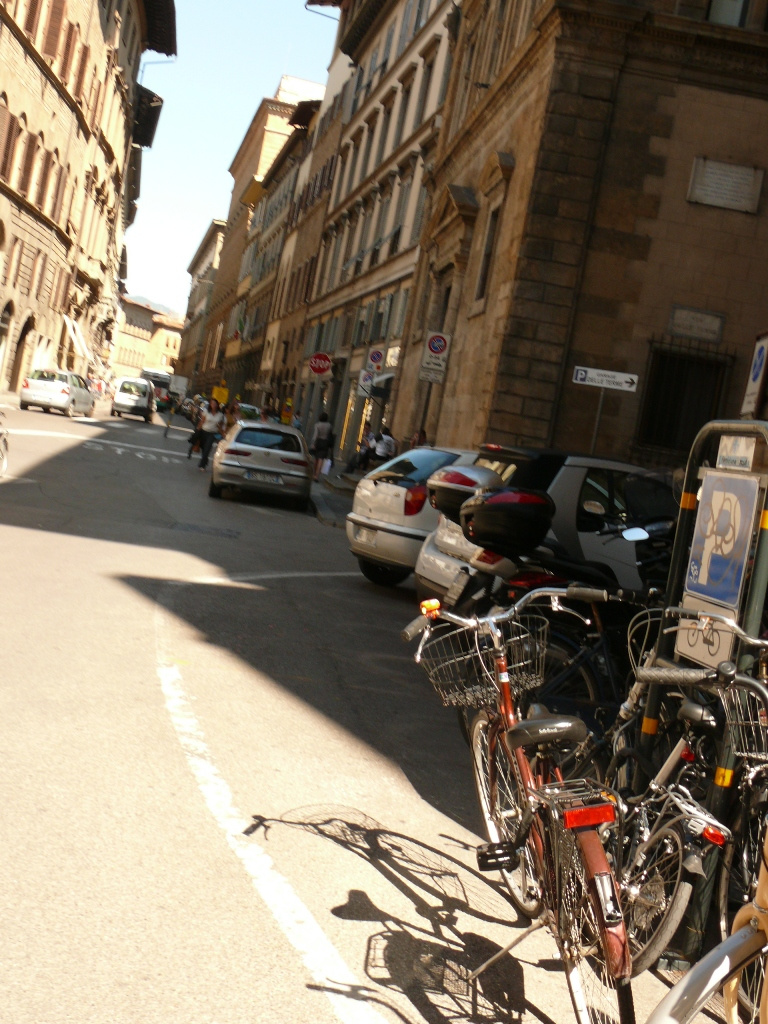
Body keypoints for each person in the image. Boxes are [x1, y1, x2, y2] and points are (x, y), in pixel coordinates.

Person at [196, 398, 226, 471]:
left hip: (212, 434)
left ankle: (202, 465)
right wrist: (197, 430)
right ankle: (205, 461)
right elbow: (202, 421)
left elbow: (220, 426)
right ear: (210, 405)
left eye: (215, 404)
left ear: (217, 405)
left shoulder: (220, 415)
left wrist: (223, 434)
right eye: (212, 403)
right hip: (204, 431)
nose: (213, 405)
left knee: (207, 449)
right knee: (203, 449)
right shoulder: (206, 412)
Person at [310, 412, 333, 481]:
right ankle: (317, 475)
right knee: (321, 459)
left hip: (318, 442)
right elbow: (330, 435)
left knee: (316, 458)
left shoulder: (317, 425)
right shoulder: (329, 425)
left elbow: (315, 435)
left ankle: (314, 474)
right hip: (325, 443)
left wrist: (313, 443)